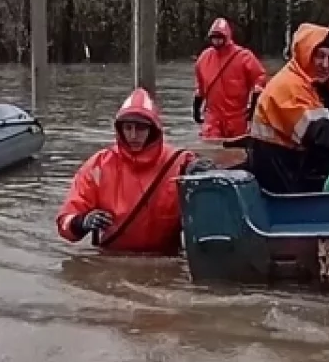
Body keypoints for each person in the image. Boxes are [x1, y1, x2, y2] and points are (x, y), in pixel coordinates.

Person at [56, 88, 206, 255]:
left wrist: (202, 175)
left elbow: (208, 214)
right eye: (128, 128)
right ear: (120, 129)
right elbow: (65, 220)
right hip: (113, 259)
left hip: (165, 257)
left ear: (153, 130)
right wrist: (83, 222)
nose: (133, 135)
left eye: (141, 128)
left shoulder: (180, 163)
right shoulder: (98, 166)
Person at [250, 23, 329, 193]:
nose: (325, 65)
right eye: (319, 56)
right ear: (305, 54)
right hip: (281, 180)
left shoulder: (308, 84)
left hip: (287, 171)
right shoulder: (289, 87)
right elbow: (321, 139)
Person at [192, 18, 267, 140]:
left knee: (236, 153)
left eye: (219, 37)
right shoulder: (204, 58)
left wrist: (253, 109)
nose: (216, 41)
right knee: (210, 150)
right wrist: (196, 109)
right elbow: (200, 88)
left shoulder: (244, 57)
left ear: (227, 37)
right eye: (214, 38)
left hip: (237, 118)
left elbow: (260, 79)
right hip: (213, 118)